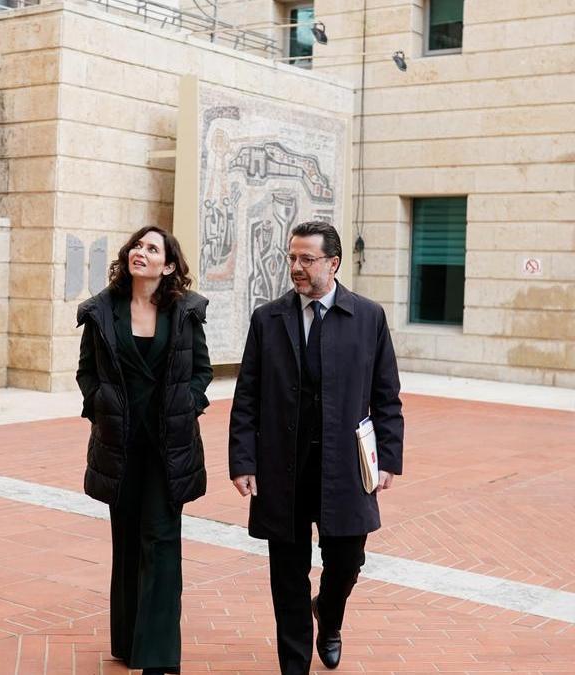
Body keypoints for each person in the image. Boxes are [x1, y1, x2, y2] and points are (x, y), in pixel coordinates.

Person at [228, 221, 404, 674]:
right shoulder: (268, 319)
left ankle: (328, 614)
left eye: (307, 259)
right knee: (286, 575)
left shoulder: (368, 317)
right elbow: (247, 395)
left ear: (334, 263)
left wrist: (388, 458)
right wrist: (243, 460)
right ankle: (294, 664)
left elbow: (386, 395)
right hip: (282, 467)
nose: (296, 268)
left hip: (345, 467)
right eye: (292, 258)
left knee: (347, 560)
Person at [76, 225, 213, 675]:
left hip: (168, 447)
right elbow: (86, 372)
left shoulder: (186, 312)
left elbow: (202, 371)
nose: (141, 251)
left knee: (161, 539)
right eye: (137, 245)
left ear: (168, 265)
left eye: (152, 248)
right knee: (128, 541)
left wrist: (187, 403)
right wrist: (99, 405)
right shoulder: (101, 311)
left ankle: (158, 658)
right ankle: (129, 642)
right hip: (120, 444)